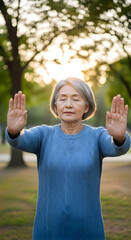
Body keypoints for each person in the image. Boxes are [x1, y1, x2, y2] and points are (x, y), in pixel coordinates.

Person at [6, 77, 130, 240]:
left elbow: (117, 147)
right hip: (47, 231)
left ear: (87, 106)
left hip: (88, 231)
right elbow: (20, 140)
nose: (68, 104)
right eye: (62, 99)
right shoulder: (43, 134)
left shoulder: (97, 136)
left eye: (76, 99)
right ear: (55, 105)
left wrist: (120, 136)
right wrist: (14, 131)